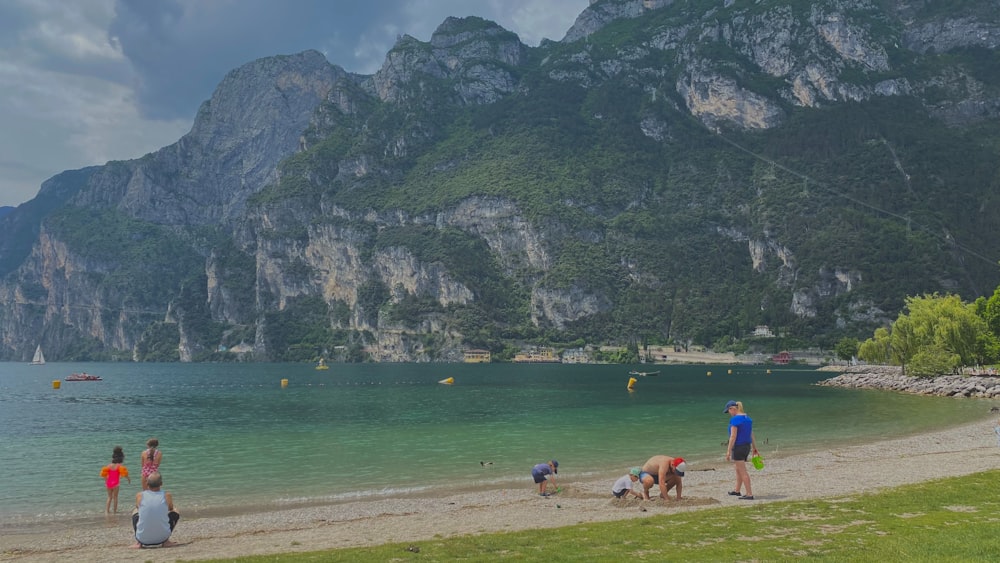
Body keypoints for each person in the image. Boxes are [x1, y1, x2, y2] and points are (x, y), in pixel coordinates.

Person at [131, 472, 180, 548]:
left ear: (147, 483)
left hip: (143, 539)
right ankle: (166, 541)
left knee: (135, 511)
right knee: (175, 511)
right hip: (162, 538)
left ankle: (138, 543)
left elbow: (138, 508)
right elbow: (170, 508)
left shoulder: (140, 495)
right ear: (161, 483)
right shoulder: (167, 495)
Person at [724, 400, 758, 500]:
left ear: (732, 409)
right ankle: (737, 490)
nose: (729, 413)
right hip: (746, 446)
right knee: (738, 469)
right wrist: (754, 448)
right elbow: (751, 434)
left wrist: (728, 451)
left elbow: (733, 436)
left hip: (738, 447)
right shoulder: (748, 419)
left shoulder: (735, 420)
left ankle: (749, 494)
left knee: (743, 471)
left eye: (728, 411)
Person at [100, 446, 131, 513]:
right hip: (116, 484)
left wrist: (106, 481)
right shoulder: (119, 466)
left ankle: (107, 511)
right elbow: (125, 474)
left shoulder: (108, 466)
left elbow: (104, 475)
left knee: (109, 497)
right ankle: (115, 511)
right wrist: (128, 479)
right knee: (115, 497)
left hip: (108, 483)